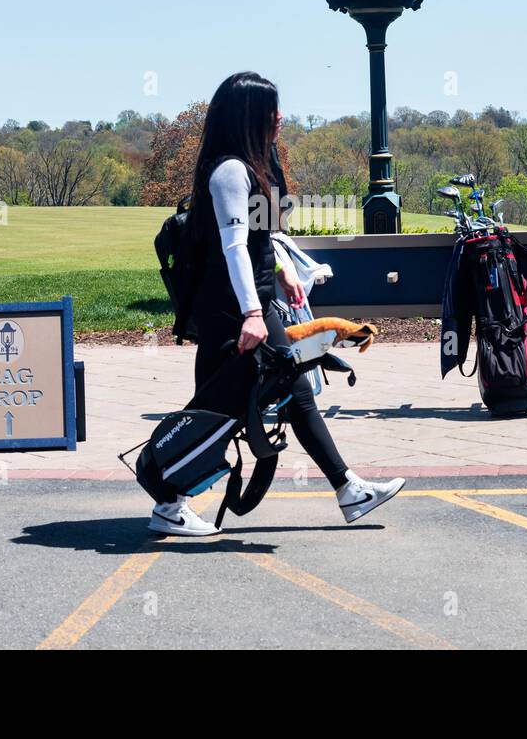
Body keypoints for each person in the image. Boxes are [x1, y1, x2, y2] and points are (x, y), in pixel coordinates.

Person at [148, 72, 405, 536]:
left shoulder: (257, 163)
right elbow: (233, 247)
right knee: (217, 410)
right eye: (271, 110)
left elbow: (262, 236)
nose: (280, 116)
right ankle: (168, 502)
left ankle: (349, 490)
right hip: (231, 312)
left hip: (256, 304)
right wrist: (250, 313)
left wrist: (284, 271)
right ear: (248, 117)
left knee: (296, 393)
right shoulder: (229, 171)